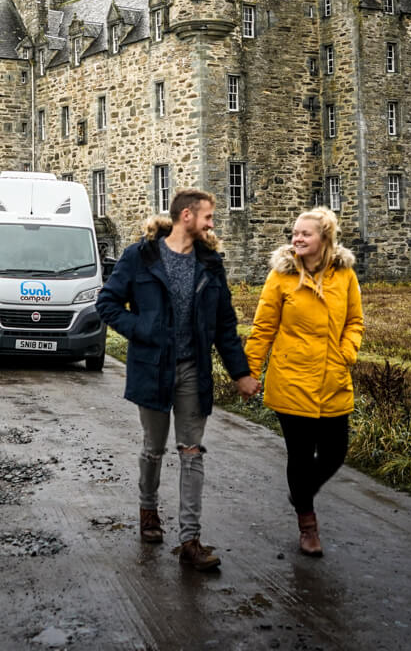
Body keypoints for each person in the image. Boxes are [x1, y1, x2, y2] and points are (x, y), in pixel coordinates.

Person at [97, 189, 261, 571]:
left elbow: (224, 324)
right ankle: (149, 511)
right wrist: (143, 328)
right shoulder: (140, 257)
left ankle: (190, 540)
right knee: (154, 448)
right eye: (208, 217)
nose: (212, 224)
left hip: (192, 369)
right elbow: (106, 303)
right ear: (187, 216)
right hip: (152, 367)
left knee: (191, 451)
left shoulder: (210, 263)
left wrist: (240, 373)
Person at [245, 207, 364, 557]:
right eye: (294, 233)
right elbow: (263, 327)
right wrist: (250, 372)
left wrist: (346, 353)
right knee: (299, 455)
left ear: (325, 238)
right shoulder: (281, 276)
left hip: (333, 378)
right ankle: (307, 525)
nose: (296, 238)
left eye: (305, 234)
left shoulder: (345, 275)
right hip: (291, 379)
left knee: (335, 452)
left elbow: (355, 321)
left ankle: (300, 492)